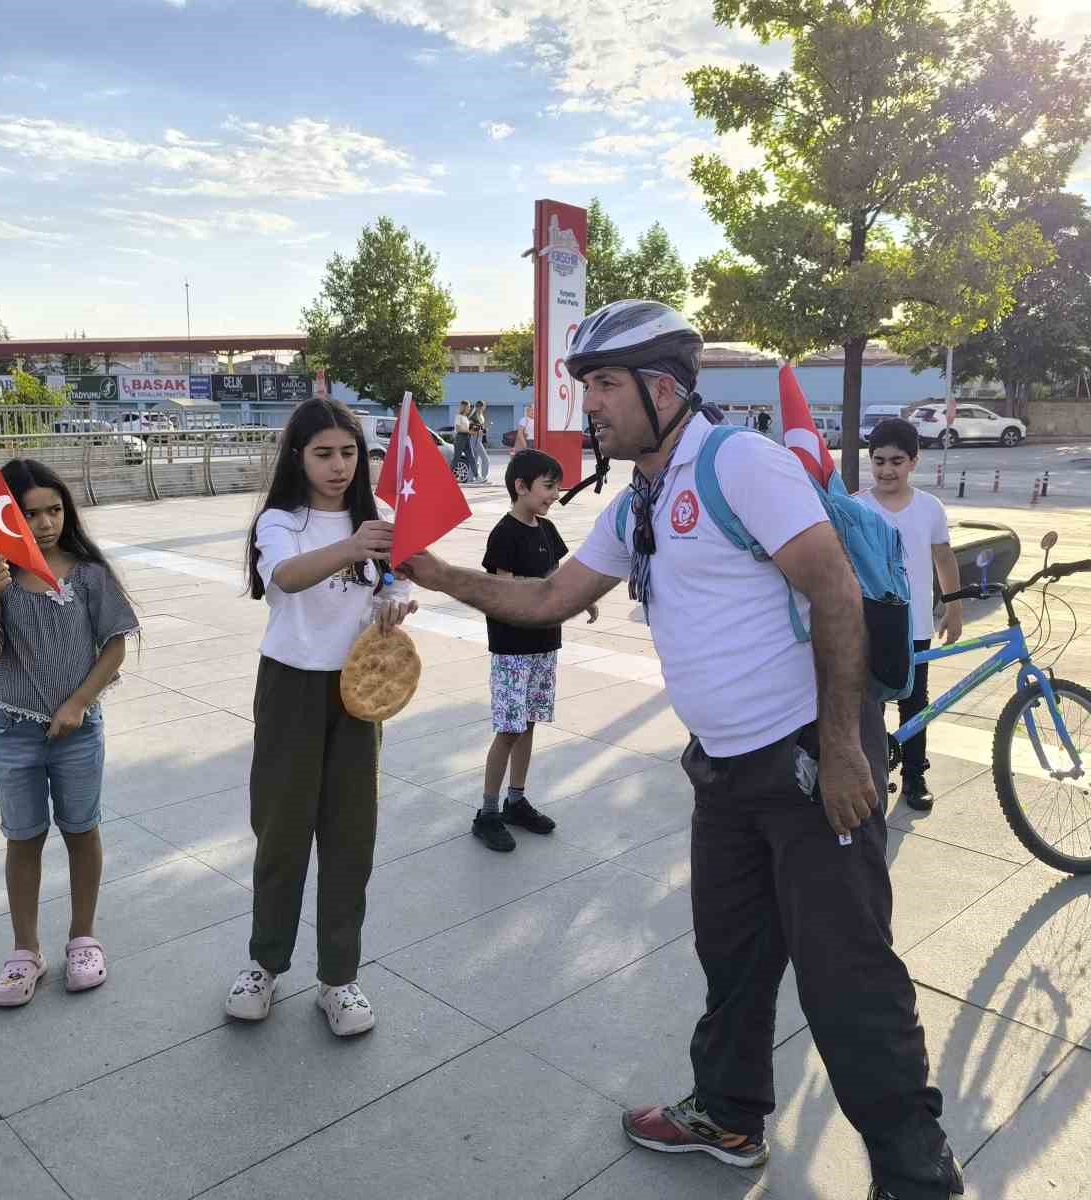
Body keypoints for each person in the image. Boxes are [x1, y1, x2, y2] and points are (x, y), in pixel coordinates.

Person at [401, 300, 962, 1200]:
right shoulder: (641, 502)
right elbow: (547, 600)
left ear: (665, 389)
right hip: (726, 770)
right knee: (731, 955)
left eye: (608, 386)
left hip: (813, 759)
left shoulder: (741, 463)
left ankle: (915, 1170)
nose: (593, 406)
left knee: (848, 971)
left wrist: (848, 748)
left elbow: (836, 590)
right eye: (587, 388)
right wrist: (434, 574)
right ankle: (728, 1113)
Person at [226, 398, 416, 1036]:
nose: (339, 466)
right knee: (281, 830)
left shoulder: (379, 521)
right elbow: (287, 575)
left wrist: (395, 601)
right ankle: (265, 963)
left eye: (349, 452)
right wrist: (354, 546)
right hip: (290, 688)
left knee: (350, 834)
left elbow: (398, 583)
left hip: (359, 694)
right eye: (323, 453)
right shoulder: (281, 521)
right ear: (298, 458)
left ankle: (339, 977)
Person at [0, 459, 138, 1007]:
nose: (44, 523)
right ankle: (24, 950)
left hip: (78, 731)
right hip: (13, 728)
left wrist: (80, 703)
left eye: (54, 510)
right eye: (29, 513)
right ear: (4, 517)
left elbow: (114, 645)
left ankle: (83, 937)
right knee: (24, 837)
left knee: (82, 829)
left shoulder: (87, 573)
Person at [472, 449, 599, 852]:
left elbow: (554, 577)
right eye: (548, 487)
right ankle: (488, 812)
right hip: (512, 648)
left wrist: (580, 598)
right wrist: (543, 591)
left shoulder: (545, 529)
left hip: (544, 643)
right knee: (508, 728)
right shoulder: (503, 534)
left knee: (528, 724)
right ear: (521, 487)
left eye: (557, 487)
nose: (554, 494)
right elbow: (506, 589)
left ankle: (516, 799)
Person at [856, 418, 962, 811]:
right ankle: (872, 773)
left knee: (915, 703)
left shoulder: (930, 508)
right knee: (872, 704)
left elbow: (943, 558)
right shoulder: (857, 506)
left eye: (897, 461)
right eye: (879, 460)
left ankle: (915, 775)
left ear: (914, 461)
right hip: (870, 626)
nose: (887, 470)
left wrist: (953, 607)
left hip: (915, 625)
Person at [453, 400, 476, 481]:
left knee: (471, 457)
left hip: (466, 438)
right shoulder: (458, 416)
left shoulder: (465, 417)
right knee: (456, 458)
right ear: (465, 407)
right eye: (468, 406)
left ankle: (477, 477)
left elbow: (466, 429)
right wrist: (469, 431)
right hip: (460, 438)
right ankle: (448, 477)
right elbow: (458, 429)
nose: (469, 408)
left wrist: (472, 431)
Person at [470, 400, 492, 483]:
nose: (484, 408)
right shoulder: (474, 416)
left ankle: (471, 478)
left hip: (478, 439)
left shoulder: (480, 415)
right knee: (485, 459)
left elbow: (479, 428)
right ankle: (483, 477)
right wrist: (479, 431)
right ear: (480, 407)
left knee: (475, 460)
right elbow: (471, 428)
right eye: (484, 407)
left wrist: (484, 430)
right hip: (475, 440)